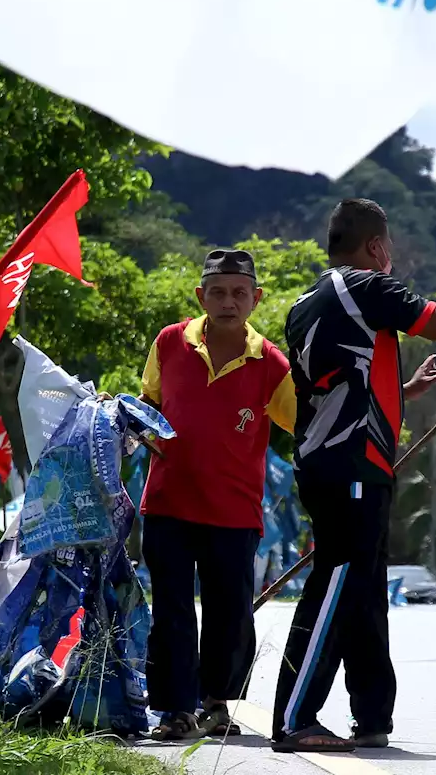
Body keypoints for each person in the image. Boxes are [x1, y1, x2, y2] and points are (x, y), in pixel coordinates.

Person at [271, 198, 436, 753]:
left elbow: (334, 385)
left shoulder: (305, 303)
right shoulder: (367, 285)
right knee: (336, 585)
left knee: (364, 591)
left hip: (333, 461)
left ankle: (372, 716)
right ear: (375, 247)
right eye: (386, 248)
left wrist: (404, 391)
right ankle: (294, 716)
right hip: (351, 465)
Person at [139, 249, 296, 740]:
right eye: (218, 291)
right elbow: (148, 403)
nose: (228, 301)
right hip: (167, 504)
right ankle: (175, 710)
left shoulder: (272, 365)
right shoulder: (169, 342)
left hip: (234, 512)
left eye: (239, 293)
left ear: (256, 298)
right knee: (171, 611)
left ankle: (217, 704)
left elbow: (305, 425)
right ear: (200, 295)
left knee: (229, 614)